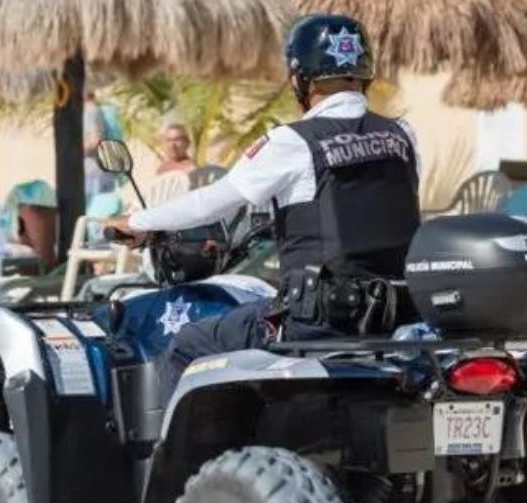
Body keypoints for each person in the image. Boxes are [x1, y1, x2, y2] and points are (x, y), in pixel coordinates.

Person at [104, 14, 422, 406]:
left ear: (299, 79)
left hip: (317, 322)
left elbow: (213, 201)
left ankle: (186, 466)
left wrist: (136, 222)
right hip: (397, 316)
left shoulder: (292, 142)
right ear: (364, 71)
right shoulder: (402, 135)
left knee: (189, 343)